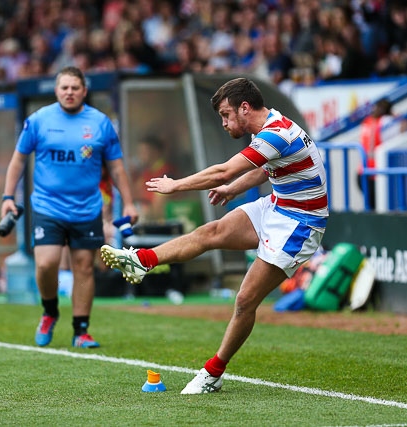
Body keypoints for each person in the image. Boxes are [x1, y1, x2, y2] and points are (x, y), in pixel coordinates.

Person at [100, 78, 328, 393]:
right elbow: (267, 169)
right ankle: (142, 260)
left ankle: (213, 374)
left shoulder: (276, 133)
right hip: (278, 205)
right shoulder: (272, 126)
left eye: (225, 115)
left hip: (300, 223)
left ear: (245, 107)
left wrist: (176, 184)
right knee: (212, 231)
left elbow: (223, 171)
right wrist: (233, 189)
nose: (223, 123)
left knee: (246, 300)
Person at [2, 66, 138, 348]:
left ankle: (81, 330)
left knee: (84, 268)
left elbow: (116, 166)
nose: (69, 92)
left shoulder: (100, 123)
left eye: (75, 88)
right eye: (64, 87)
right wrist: (7, 198)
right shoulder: (39, 120)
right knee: (46, 263)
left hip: (87, 208)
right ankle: (50, 311)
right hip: (47, 206)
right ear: (56, 90)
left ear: (84, 91)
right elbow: (17, 160)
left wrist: (129, 202)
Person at [357, 98, 394, 209]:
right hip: (372, 173)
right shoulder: (384, 121)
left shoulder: (367, 121)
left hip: (365, 171)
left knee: (372, 207)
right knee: (377, 206)